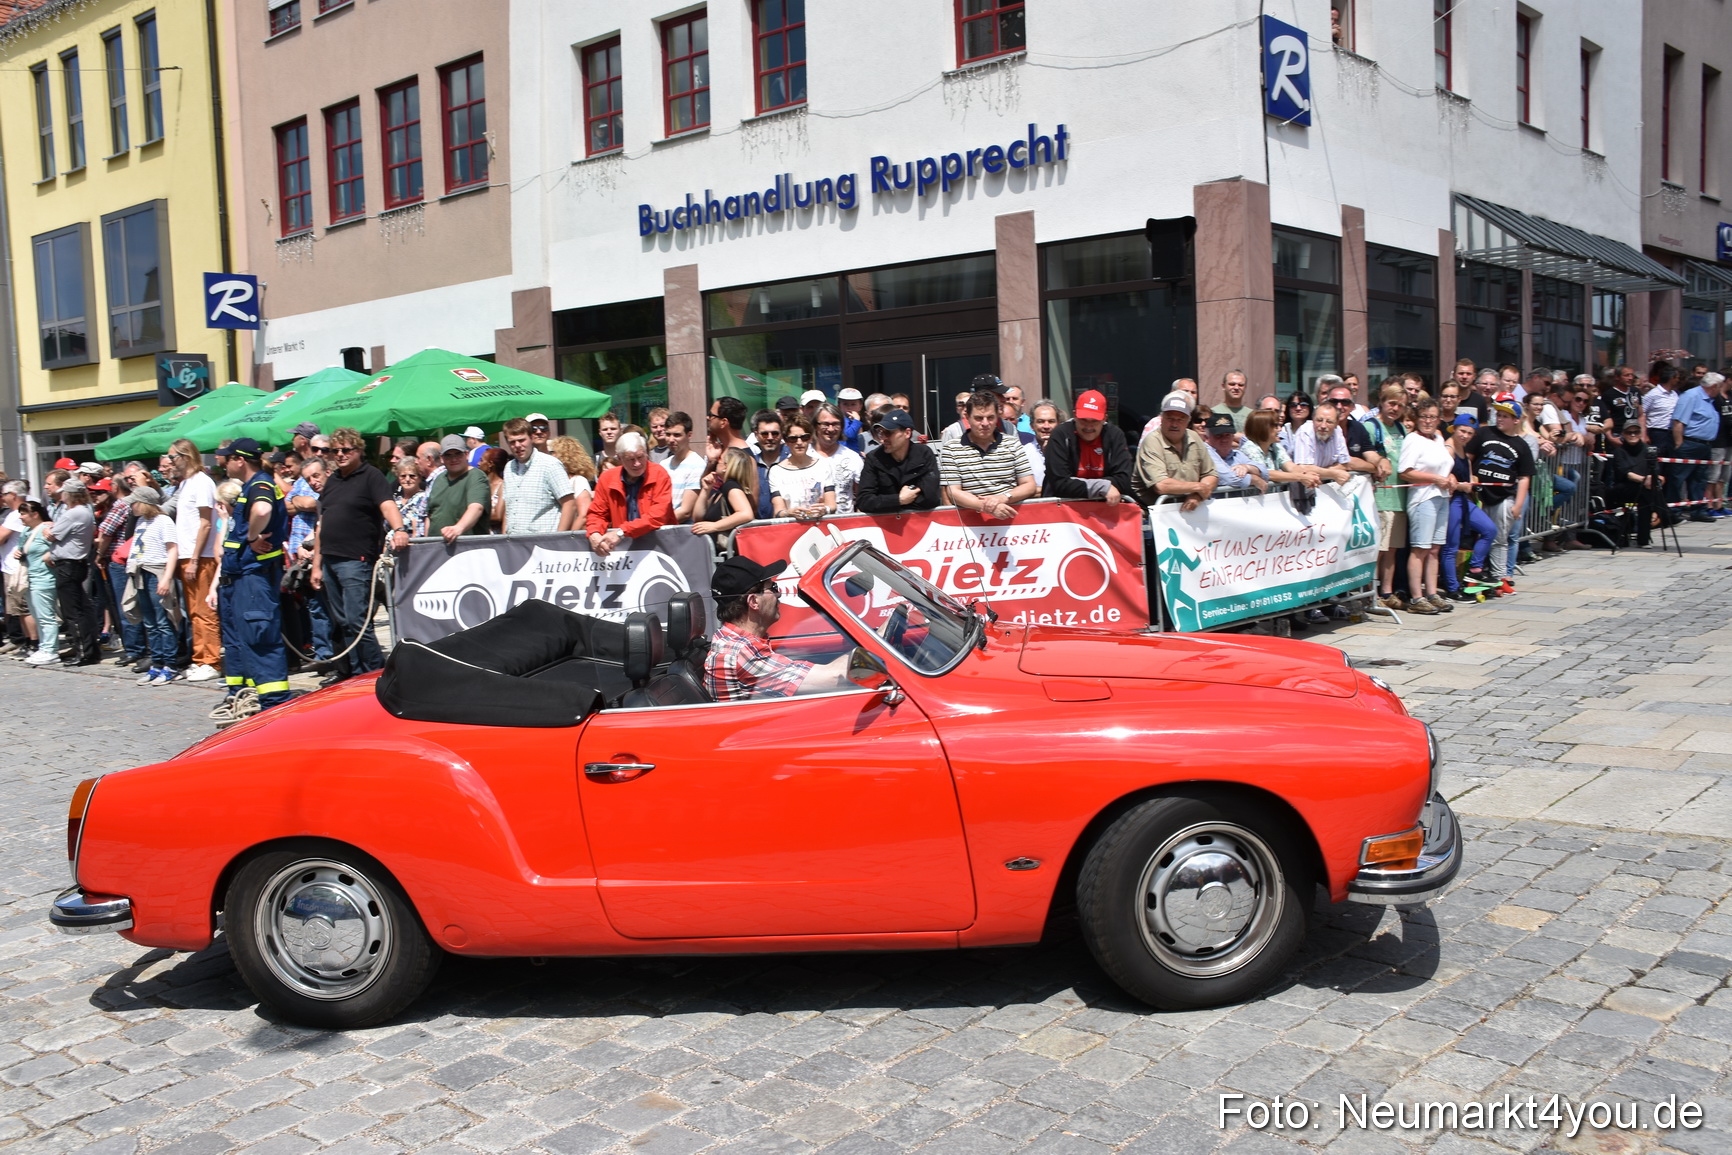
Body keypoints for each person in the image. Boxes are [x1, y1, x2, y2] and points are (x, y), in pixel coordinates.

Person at [313, 426, 409, 686]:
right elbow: (322, 523)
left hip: (356, 560)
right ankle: (355, 675)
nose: (340, 454)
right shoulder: (333, 480)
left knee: (358, 621)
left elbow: (387, 504)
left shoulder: (371, 476)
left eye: (346, 449)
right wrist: (316, 565)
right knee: (342, 622)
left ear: (358, 450)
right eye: (336, 450)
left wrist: (399, 529)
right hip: (330, 559)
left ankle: (376, 675)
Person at [214, 439, 292, 720]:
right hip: (245, 577)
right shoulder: (254, 484)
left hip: (254, 577)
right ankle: (260, 701)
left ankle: (275, 706)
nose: (224, 462)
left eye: (228, 458)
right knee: (249, 639)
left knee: (261, 639)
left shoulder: (259, 484)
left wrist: (250, 536)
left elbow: (262, 510)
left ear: (240, 460)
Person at [703, 556, 852, 702]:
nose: (779, 594)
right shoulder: (741, 653)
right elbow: (834, 678)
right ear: (754, 601)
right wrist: (873, 646)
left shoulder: (732, 639)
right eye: (773, 588)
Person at [1468, 397, 1535, 597]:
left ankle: (1500, 577)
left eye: (1506, 416)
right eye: (1498, 414)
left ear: (1516, 420)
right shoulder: (1484, 433)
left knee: (1499, 538)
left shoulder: (1521, 445)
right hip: (1479, 493)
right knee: (1479, 536)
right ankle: (1476, 574)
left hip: (1504, 497)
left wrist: (1519, 504)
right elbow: (1469, 457)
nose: (1500, 419)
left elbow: (1524, 477)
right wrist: (1470, 477)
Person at [166, 439, 222, 681]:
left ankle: (211, 660)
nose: (169, 462)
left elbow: (206, 522)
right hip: (187, 554)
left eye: (172, 457)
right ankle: (200, 658)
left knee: (204, 610)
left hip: (201, 555)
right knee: (193, 612)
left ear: (185, 456)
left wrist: (196, 559)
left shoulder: (202, 482)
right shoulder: (186, 484)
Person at [940, 389, 1037, 519]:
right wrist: (988, 507)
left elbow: (1029, 485)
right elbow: (953, 492)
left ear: (997, 417)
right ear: (967, 417)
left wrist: (1003, 498)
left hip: (1012, 523)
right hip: (970, 526)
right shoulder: (951, 449)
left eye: (990, 417)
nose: (985, 423)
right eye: (979, 418)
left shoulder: (1013, 444)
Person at [1397, 400, 1455, 615]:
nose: (1428, 421)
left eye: (1432, 416)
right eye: (1424, 417)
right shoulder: (1413, 439)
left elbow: (1445, 467)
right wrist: (1435, 478)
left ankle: (1432, 593)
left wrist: (1450, 478)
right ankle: (1416, 597)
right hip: (1423, 498)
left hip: (1441, 496)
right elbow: (1405, 471)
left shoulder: (1439, 438)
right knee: (1420, 548)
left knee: (1434, 548)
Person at [122, 485, 180, 684]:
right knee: (149, 622)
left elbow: (172, 549)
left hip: (156, 572)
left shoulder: (163, 520)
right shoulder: (140, 521)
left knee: (163, 621)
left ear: (145, 503)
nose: (132, 507)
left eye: (135, 503)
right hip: (140, 572)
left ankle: (170, 665)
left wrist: (166, 578)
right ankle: (157, 663)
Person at [585, 431, 674, 557]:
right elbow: (597, 513)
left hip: (659, 549)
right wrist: (594, 533)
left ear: (646, 454)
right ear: (619, 458)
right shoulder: (607, 478)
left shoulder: (659, 474)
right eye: (631, 459)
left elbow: (658, 515)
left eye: (640, 457)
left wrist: (622, 532)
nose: (637, 463)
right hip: (622, 551)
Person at [1359, 384, 1408, 609]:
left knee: (1393, 549)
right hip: (1380, 497)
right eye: (1391, 403)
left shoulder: (1401, 429)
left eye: (1400, 405)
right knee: (1379, 549)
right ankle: (1372, 592)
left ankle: (1387, 592)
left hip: (1399, 497)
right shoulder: (1372, 427)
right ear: (1382, 401)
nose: (1395, 408)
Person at [43, 481, 102, 665]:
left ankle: (83, 652)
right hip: (76, 564)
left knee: (73, 612)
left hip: (68, 565)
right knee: (83, 609)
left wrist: (46, 528)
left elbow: (51, 535)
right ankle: (90, 650)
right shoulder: (85, 511)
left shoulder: (74, 512)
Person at [1441, 414, 1499, 600]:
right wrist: (1461, 485)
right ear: (1455, 429)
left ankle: (1475, 568)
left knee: (1489, 529)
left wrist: (1472, 482)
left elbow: (1470, 476)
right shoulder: (1448, 449)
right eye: (1462, 431)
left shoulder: (1463, 451)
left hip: (1464, 499)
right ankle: (1451, 587)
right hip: (1451, 501)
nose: (1465, 435)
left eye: (1469, 433)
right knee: (1451, 546)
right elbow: (1443, 479)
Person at [1044, 390, 1133, 503]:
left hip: (1105, 508)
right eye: (1083, 420)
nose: (1088, 427)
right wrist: (1103, 487)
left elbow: (1123, 481)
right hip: (1065, 509)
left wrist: (1079, 485)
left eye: (1094, 421)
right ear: (1075, 415)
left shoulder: (1115, 435)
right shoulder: (1061, 435)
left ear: (1104, 418)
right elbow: (1059, 483)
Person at [1133, 393, 1217, 510]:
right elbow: (1161, 485)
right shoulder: (1152, 441)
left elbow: (1211, 474)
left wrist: (1197, 496)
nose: (1174, 424)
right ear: (1161, 419)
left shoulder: (1194, 437)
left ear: (1188, 421)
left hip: (1191, 509)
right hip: (1157, 512)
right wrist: (1198, 487)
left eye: (1180, 419)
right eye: (1170, 418)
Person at [856, 410, 940, 513]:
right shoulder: (874, 458)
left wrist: (884, 502)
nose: (883, 439)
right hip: (885, 525)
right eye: (880, 433)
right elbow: (864, 501)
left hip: (920, 524)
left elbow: (931, 498)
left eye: (888, 433)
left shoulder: (924, 454)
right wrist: (899, 500)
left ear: (907, 433)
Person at [500, 417, 572, 534]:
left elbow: (569, 504)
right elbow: (509, 508)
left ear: (531, 438)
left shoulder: (550, 464)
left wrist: (558, 538)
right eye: (512, 442)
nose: (517, 445)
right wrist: (503, 538)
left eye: (522, 440)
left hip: (543, 544)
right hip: (513, 544)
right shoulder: (509, 468)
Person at [1668, 370, 1724, 519]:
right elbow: (1678, 421)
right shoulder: (1691, 396)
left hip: (1705, 445)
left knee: (1699, 479)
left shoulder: (1710, 400)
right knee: (1678, 478)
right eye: (1719, 387)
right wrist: (1679, 443)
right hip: (1689, 443)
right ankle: (1673, 511)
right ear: (1713, 386)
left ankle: (1698, 510)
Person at [1603, 422, 1661, 546]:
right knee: (1645, 493)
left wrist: (1652, 479)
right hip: (1624, 488)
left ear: (1641, 434)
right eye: (1629, 432)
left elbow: (1655, 469)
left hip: (1644, 488)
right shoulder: (1619, 451)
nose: (1633, 435)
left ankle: (1644, 539)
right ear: (1623, 434)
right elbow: (1624, 473)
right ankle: (1664, 514)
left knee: (1646, 494)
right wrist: (1643, 480)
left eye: (1636, 432)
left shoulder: (1647, 449)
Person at [769, 416, 836, 521]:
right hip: (792, 529)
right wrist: (789, 513)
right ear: (786, 441)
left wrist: (824, 510)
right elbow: (778, 511)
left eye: (804, 437)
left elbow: (832, 505)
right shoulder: (776, 471)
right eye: (793, 438)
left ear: (810, 439)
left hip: (820, 526)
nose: (799, 442)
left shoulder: (823, 465)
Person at [426, 435, 491, 541]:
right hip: (436, 548)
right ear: (442, 458)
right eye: (448, 455)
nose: (454, 459)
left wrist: (458, 528)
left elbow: (476, 507)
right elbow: (430, 515)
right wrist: (425, 543)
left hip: (465, 549)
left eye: (458, 454)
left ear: (466, 454)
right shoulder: (439, 479)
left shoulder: (476, 476)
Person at [19, 502, 59, 665]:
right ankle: (44, 647)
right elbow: (23, 549)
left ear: (35, 514)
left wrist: (50, 555)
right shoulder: (27, 531)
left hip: (44, 579)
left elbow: (58, 547)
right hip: (31, 578)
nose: (21, 517)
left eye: (23, 513)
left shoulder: (46, 529)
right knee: (37, 616)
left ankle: (51, 650)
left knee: (46, 617)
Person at [692, 446, 759, 545]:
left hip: (727, 555)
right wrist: (706, 490)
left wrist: (715, 526)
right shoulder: (721, 490)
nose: (717, 461)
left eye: (720, 459)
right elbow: (697, 517)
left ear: (726, 467)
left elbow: (746, 514)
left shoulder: (731, 486)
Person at [810, 404, 863, 515]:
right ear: (815, 426)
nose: (831, 429)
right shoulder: (805, 455)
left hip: (845, 525)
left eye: (835, 424)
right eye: (825, 424)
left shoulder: (852, 457)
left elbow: (861, 497)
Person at [1240, 411, 1315, 488]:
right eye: (1276, 426)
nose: (1280, 429)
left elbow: (1290, 466)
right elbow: (1267, 473)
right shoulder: (1249, 448)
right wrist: (1300, 477)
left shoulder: (1275, 445)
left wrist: (1307, 475)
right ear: (1263, 428)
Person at [1201, 413, 1268, 497]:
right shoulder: (1205, 451)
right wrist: (1255, 479)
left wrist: (1247, 467)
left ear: (1233, 436)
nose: (1224, 439)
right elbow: (1228, 477)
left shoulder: (1237, 454)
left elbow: (1265, 472)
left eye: (1227, 435)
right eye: (1218, 436)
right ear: (1206, 438)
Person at [659, 411, 707, 522]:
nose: (671, 440)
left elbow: (686, 512)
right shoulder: (663, 464)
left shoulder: (697, 465)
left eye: (677, 435)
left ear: (689, 435)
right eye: (668, 434)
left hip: (682, 532)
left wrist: (656, 523)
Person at [1288, 403, 1353, 483]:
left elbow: (1345, 464)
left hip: (1327, 485)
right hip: (1303, 487)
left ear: (1336, 424)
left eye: (1329, 422)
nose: (1323, 426)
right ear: (1313, 419)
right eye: (1319, 420)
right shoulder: (1304, 432)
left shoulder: (1338, 431)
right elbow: (1304, 468)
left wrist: (1322, 472)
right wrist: (1334, 474)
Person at [549, 435, 599, 532]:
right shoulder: (559, 480)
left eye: (553, 452)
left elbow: (584, 515)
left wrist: (568, 535)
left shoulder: (579, 481)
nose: (550, 455)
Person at [746, 409, 787, 519]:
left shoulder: (791, 461)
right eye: (764, 434)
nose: (770, 438)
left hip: (787, 527)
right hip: (758, 528)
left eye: (775, 434)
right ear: (756, 435)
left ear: (781, 434)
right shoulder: (750, 463)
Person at [392, 460, 428, 538]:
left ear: (419, 477)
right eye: (403, 476)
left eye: (412, 476)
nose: (407, 479)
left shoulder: (424, 499)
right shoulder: (395, 499)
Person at [478, 447, 509, 532]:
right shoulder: (481, 485)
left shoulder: (502, 486)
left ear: (490, 464)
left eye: (481, 460)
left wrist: (474, 515)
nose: (478, 463)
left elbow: (498, 515)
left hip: (494, 538)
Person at [1278, 393, 1313, 459]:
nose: (1298, 408)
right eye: (1293, 405)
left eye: (1303, 405)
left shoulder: (1316, 430)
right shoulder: (1281, 433)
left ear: (1310, 407)